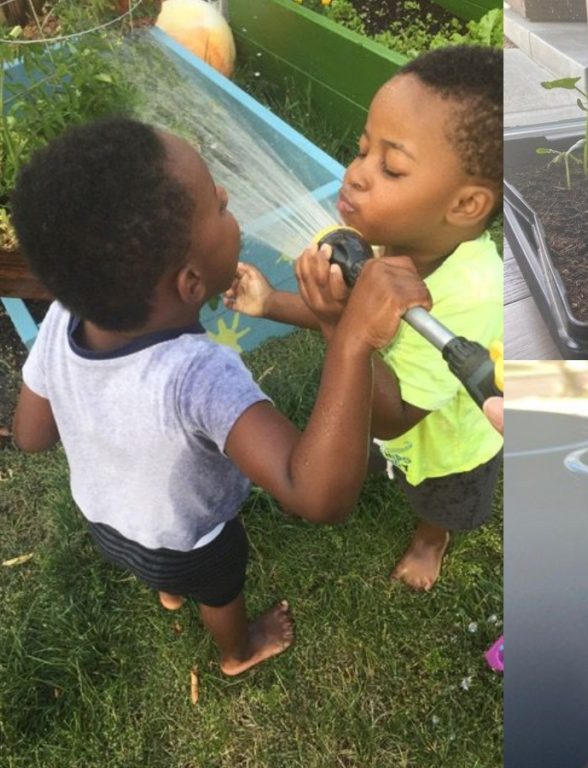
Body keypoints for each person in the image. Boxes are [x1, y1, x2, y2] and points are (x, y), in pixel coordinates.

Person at [10, 117, 430, 675]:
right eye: (218, 206)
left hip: (108, 522)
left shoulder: (65, 320)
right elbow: (317, 497)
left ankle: (166, 589)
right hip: (192, 539)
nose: (229, 195)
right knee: (219, 589)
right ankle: (240, 649)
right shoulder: (200, 375)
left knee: (162, 572)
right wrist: (351, 341)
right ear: (189, 283)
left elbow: (31, 437)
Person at [225, 45, 502, 590]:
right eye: (362, 150)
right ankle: (384, 472)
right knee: (373, 450)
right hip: (380, 417)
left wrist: (339, 326)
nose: (354, 175)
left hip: (444, 443)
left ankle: (430, 541)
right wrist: (272, 304)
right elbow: (354, 322)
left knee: (438, 499)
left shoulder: (469, 297)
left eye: (390, 167)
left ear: (466, 206)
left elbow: (396, 415)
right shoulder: (388, 241)